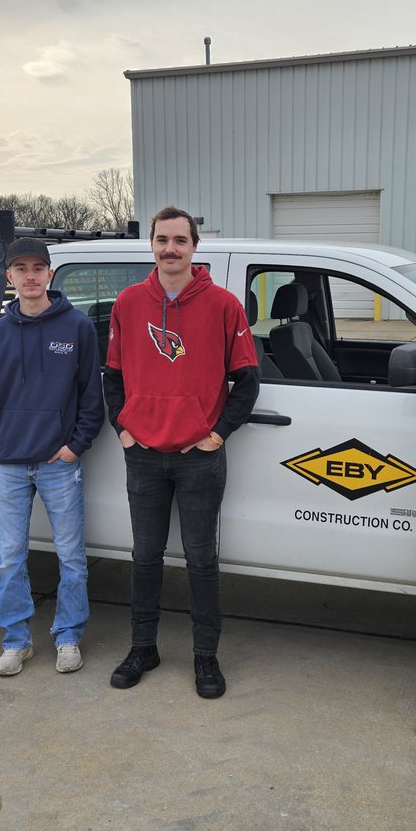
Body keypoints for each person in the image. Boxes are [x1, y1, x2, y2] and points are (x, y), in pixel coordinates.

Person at [104, 206, 260, 699]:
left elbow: (247, 381)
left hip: (199, 458)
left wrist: (216, 435)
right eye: (162, 240)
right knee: (145, 556)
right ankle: (142, 647)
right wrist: (124, 429)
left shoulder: (223, 305)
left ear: (194, 247)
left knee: (201, 559)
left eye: (179, 240)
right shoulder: (128, 302)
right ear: (151, 245)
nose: (170, 249)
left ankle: (205, 656)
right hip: (143, 455)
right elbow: (112, 375)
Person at [0, 237, 104, 676]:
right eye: (21, 269)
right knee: (10, 558)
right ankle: (16, 641)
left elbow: (92, 397)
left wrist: (74, 446)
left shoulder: (77, 328)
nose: (30, 276)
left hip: (57, 465)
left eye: (37, 268)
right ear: (9, 276)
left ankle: (68, 636)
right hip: (7, 466)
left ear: (49, 273)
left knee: (71, 556)